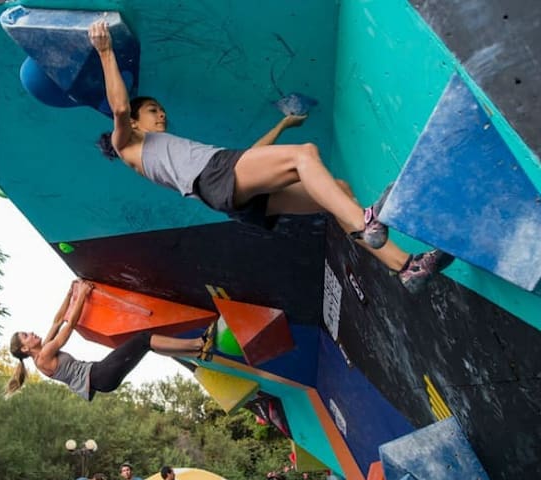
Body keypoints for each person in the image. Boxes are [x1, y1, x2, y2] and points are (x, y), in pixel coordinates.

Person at [88, 20, 452, 294]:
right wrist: (105, 51)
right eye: (153, 110)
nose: (162, 114)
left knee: (338, 191)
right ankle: (367, 221)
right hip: (216, 175)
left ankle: (406, 268)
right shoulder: (127, 145)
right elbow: (119, 107)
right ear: (134, 121)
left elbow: (251, 158)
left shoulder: (170, 151)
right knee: (305, 155)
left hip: (227, 188)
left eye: (161, 109)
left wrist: (283, 125)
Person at [7, 280, 211, 400]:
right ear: (25, 349)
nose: (31, 333)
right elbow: (69, 326)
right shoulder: (43, 356)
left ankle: (196, 351)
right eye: (26, 335)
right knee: (144, 339)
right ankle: (198, 344)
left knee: (145, 345)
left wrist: (70, 294)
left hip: (100, 376)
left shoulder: (44, 351)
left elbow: (58, 321)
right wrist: (82, 295)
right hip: (99, 375)